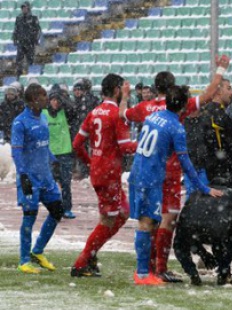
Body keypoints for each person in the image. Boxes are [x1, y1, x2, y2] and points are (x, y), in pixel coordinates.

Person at [118, 55, 230, 282]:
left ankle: (150, 270)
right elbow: (207, 97)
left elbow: (123, 115)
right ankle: (151, 270)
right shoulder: (176, 122)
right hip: (160, 174)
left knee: (152, 221)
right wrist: (220, 69)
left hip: (142, 170)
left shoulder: (149, 111)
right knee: (159, 221)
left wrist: (125, 97)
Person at [71, 74, 137, 277]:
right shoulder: (117, 114)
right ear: (117, 90)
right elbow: (126, 148)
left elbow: (76, 144)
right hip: (108, 174)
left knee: (124, 211)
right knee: (109, 220)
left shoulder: (94, 112)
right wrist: (147, 145)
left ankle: (91, 254)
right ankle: (82, 262)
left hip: (101, 172)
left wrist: (92, 162)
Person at [11, 84, 64, 274]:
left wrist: (53, 161)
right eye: (43, 96)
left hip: (45, 177)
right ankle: (24, 260)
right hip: (30, 179)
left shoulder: (42, 117)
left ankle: (37, 251)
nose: (46, 99)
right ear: (33, 100)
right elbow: (16, 152)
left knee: (57, 211)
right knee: (29, 217)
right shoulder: (20, 123)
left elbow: (42, 145)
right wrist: (23, 176)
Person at [173, 174, 232, 286]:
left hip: (191, 229)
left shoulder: (195, 194)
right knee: (229, 240)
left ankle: (192, 273)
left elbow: (184, 222)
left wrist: (202, 253)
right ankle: (223, 274)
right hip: (218, 229)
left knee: (179, 244)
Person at [43, 86, 78, 219]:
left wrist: (63, 98)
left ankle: (67, 208)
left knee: (65, 182)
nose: (55, 102)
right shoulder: (44, 113)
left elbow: (74, 109)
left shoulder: (66, 112)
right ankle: (53, 207)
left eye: (58, 100)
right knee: (50, 183)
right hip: (49, 153)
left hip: (64, 152)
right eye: (53, 100)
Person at [13, 2, 41, 78]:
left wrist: (36, 39)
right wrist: (14, 38)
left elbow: (38, 30)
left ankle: (30, 76)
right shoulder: (18, 18)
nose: (24, 9)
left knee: (30, 60)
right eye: (22, 8)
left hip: (30, 43)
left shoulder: (33, 18)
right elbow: (16, 30)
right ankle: (18, 76)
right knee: (19, 60)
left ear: (28, 8)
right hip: (21, 43)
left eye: (25, 7)